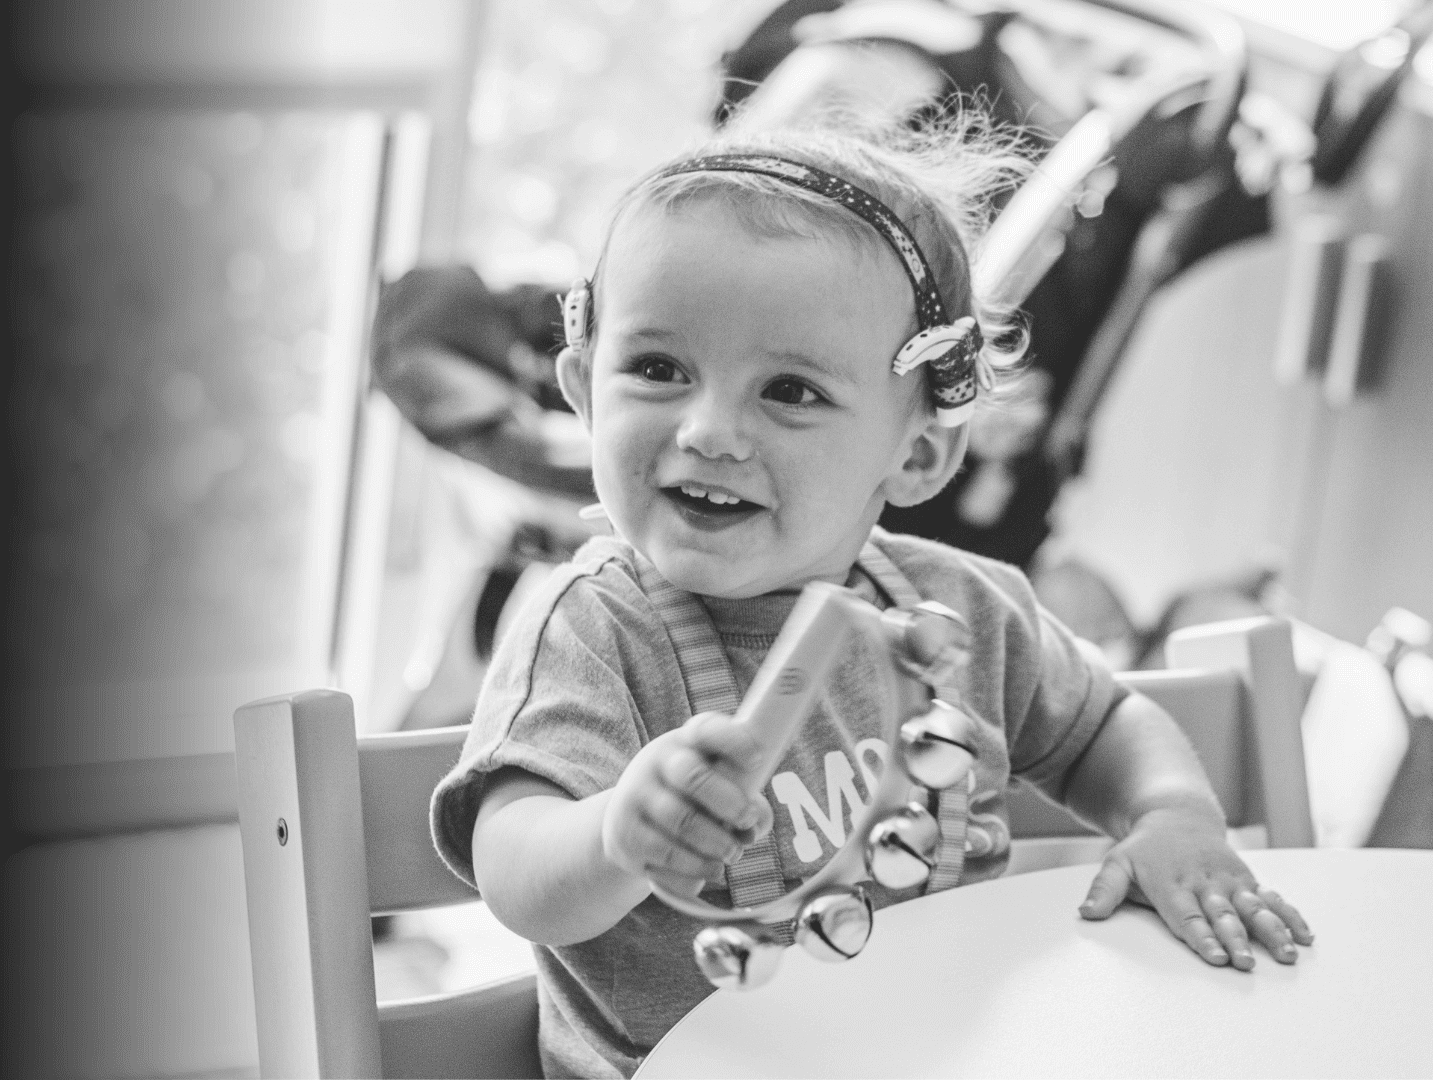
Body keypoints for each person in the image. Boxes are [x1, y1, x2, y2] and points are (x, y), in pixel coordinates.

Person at [429, 113, 1312, 1077]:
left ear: (920, 451)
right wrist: (613, 836)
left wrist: (1171, 814)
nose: (710, 430)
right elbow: (513, 870)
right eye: (658, 370)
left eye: (791, 392)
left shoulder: (963, 612)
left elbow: (1104, 725)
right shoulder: (593, 632)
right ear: (583, 392)